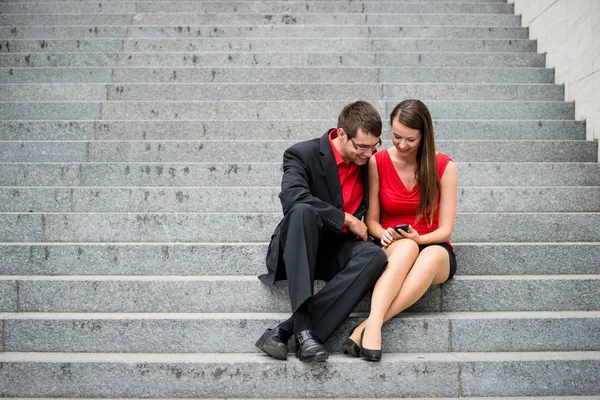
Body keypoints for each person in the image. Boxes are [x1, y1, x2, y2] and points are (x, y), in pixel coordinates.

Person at [256, 101, 388, 362]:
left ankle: (285, 331)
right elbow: (292, 197)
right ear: (341, 134)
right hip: (298, 245)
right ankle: (305, 331)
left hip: (336, 250)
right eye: (361, 146)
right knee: (303, 210)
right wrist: (345, 219)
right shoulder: (301, 154)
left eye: (375, 146)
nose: (369, 154)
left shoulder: (368, 164)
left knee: (375, 256)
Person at [342, 99, 458, 361]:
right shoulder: (377, 162)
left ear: (424, 136)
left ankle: (369, 325)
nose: (402, 145)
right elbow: (371, 220)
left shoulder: (445, 167)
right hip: (394, 242)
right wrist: (383, 233)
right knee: (406, 247)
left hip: (433, 244)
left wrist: (421, 239)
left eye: (411, 140)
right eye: (396, 137)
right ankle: (371, 328)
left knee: (429, 254)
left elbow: (446, 230)